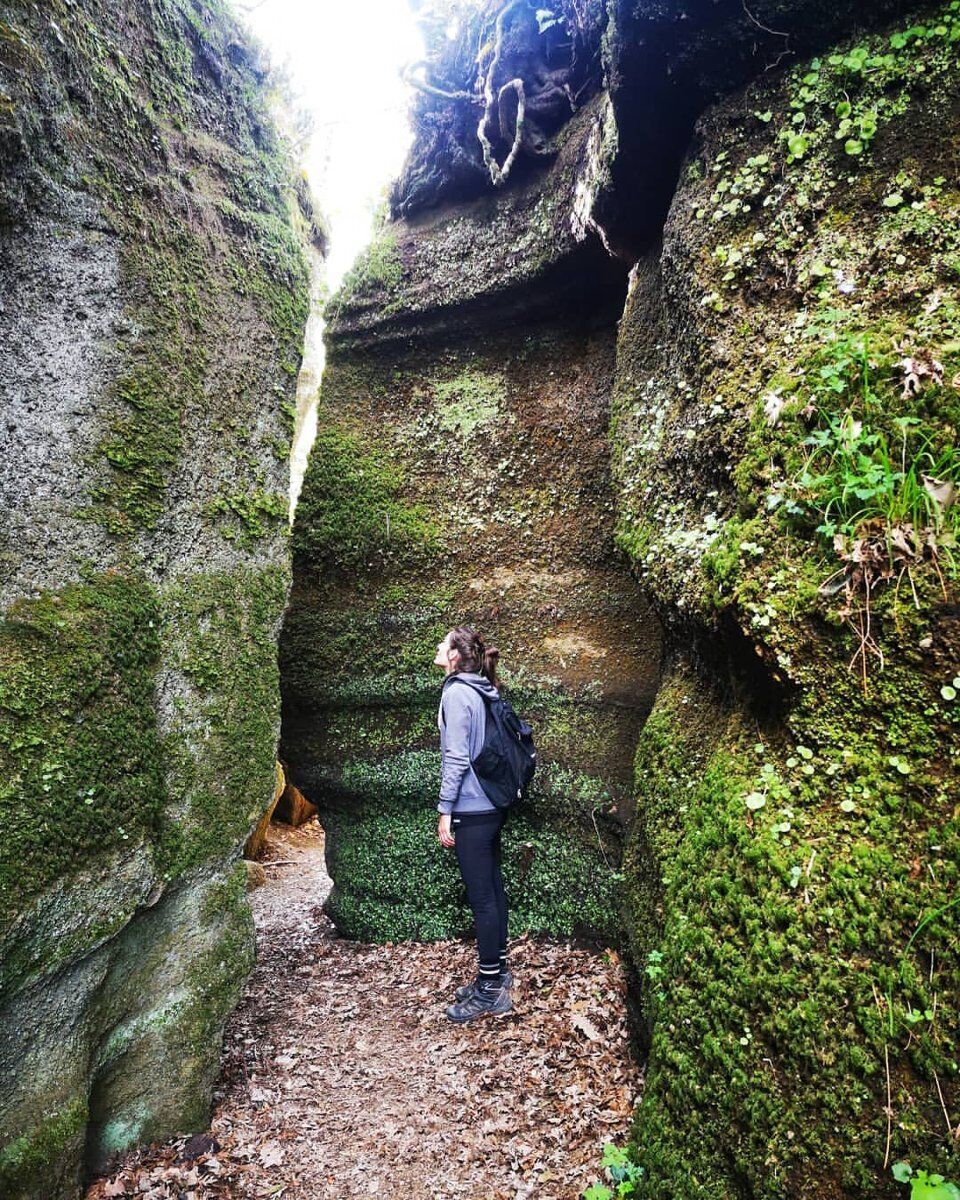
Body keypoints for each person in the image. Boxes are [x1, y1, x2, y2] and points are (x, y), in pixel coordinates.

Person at [434, 625, 514, 1023]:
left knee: (482, 898)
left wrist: (445, 809)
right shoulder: (481, 688)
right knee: (493, 890)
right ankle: (497, 974)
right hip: (492, 806)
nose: (437, 646)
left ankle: (490, 990)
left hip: (472, 807)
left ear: (454, 656)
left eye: (443, 643)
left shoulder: (458, 694)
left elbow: (456, 757)